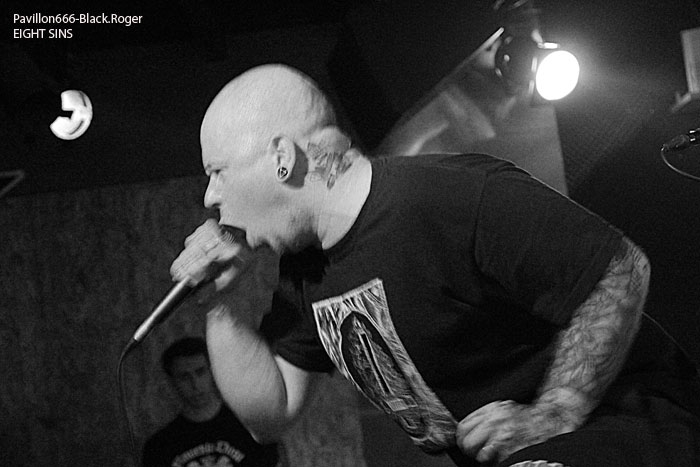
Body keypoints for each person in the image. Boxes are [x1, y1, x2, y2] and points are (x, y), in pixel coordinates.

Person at [170, 64, 700, 466]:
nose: (211, 196)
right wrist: (220, 303)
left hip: (624, 425)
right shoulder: (306, 271)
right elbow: (270, 415)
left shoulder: (449, 196)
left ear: (283, 159)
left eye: (218, 171)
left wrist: (556, 410)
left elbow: (619, 270)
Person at [141, 337, 281, 467]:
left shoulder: (251, 431)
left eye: (200, 372)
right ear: (172, 382)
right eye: (184, 377)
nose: (195, 384)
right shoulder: (159, 447)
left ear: (213, 372)